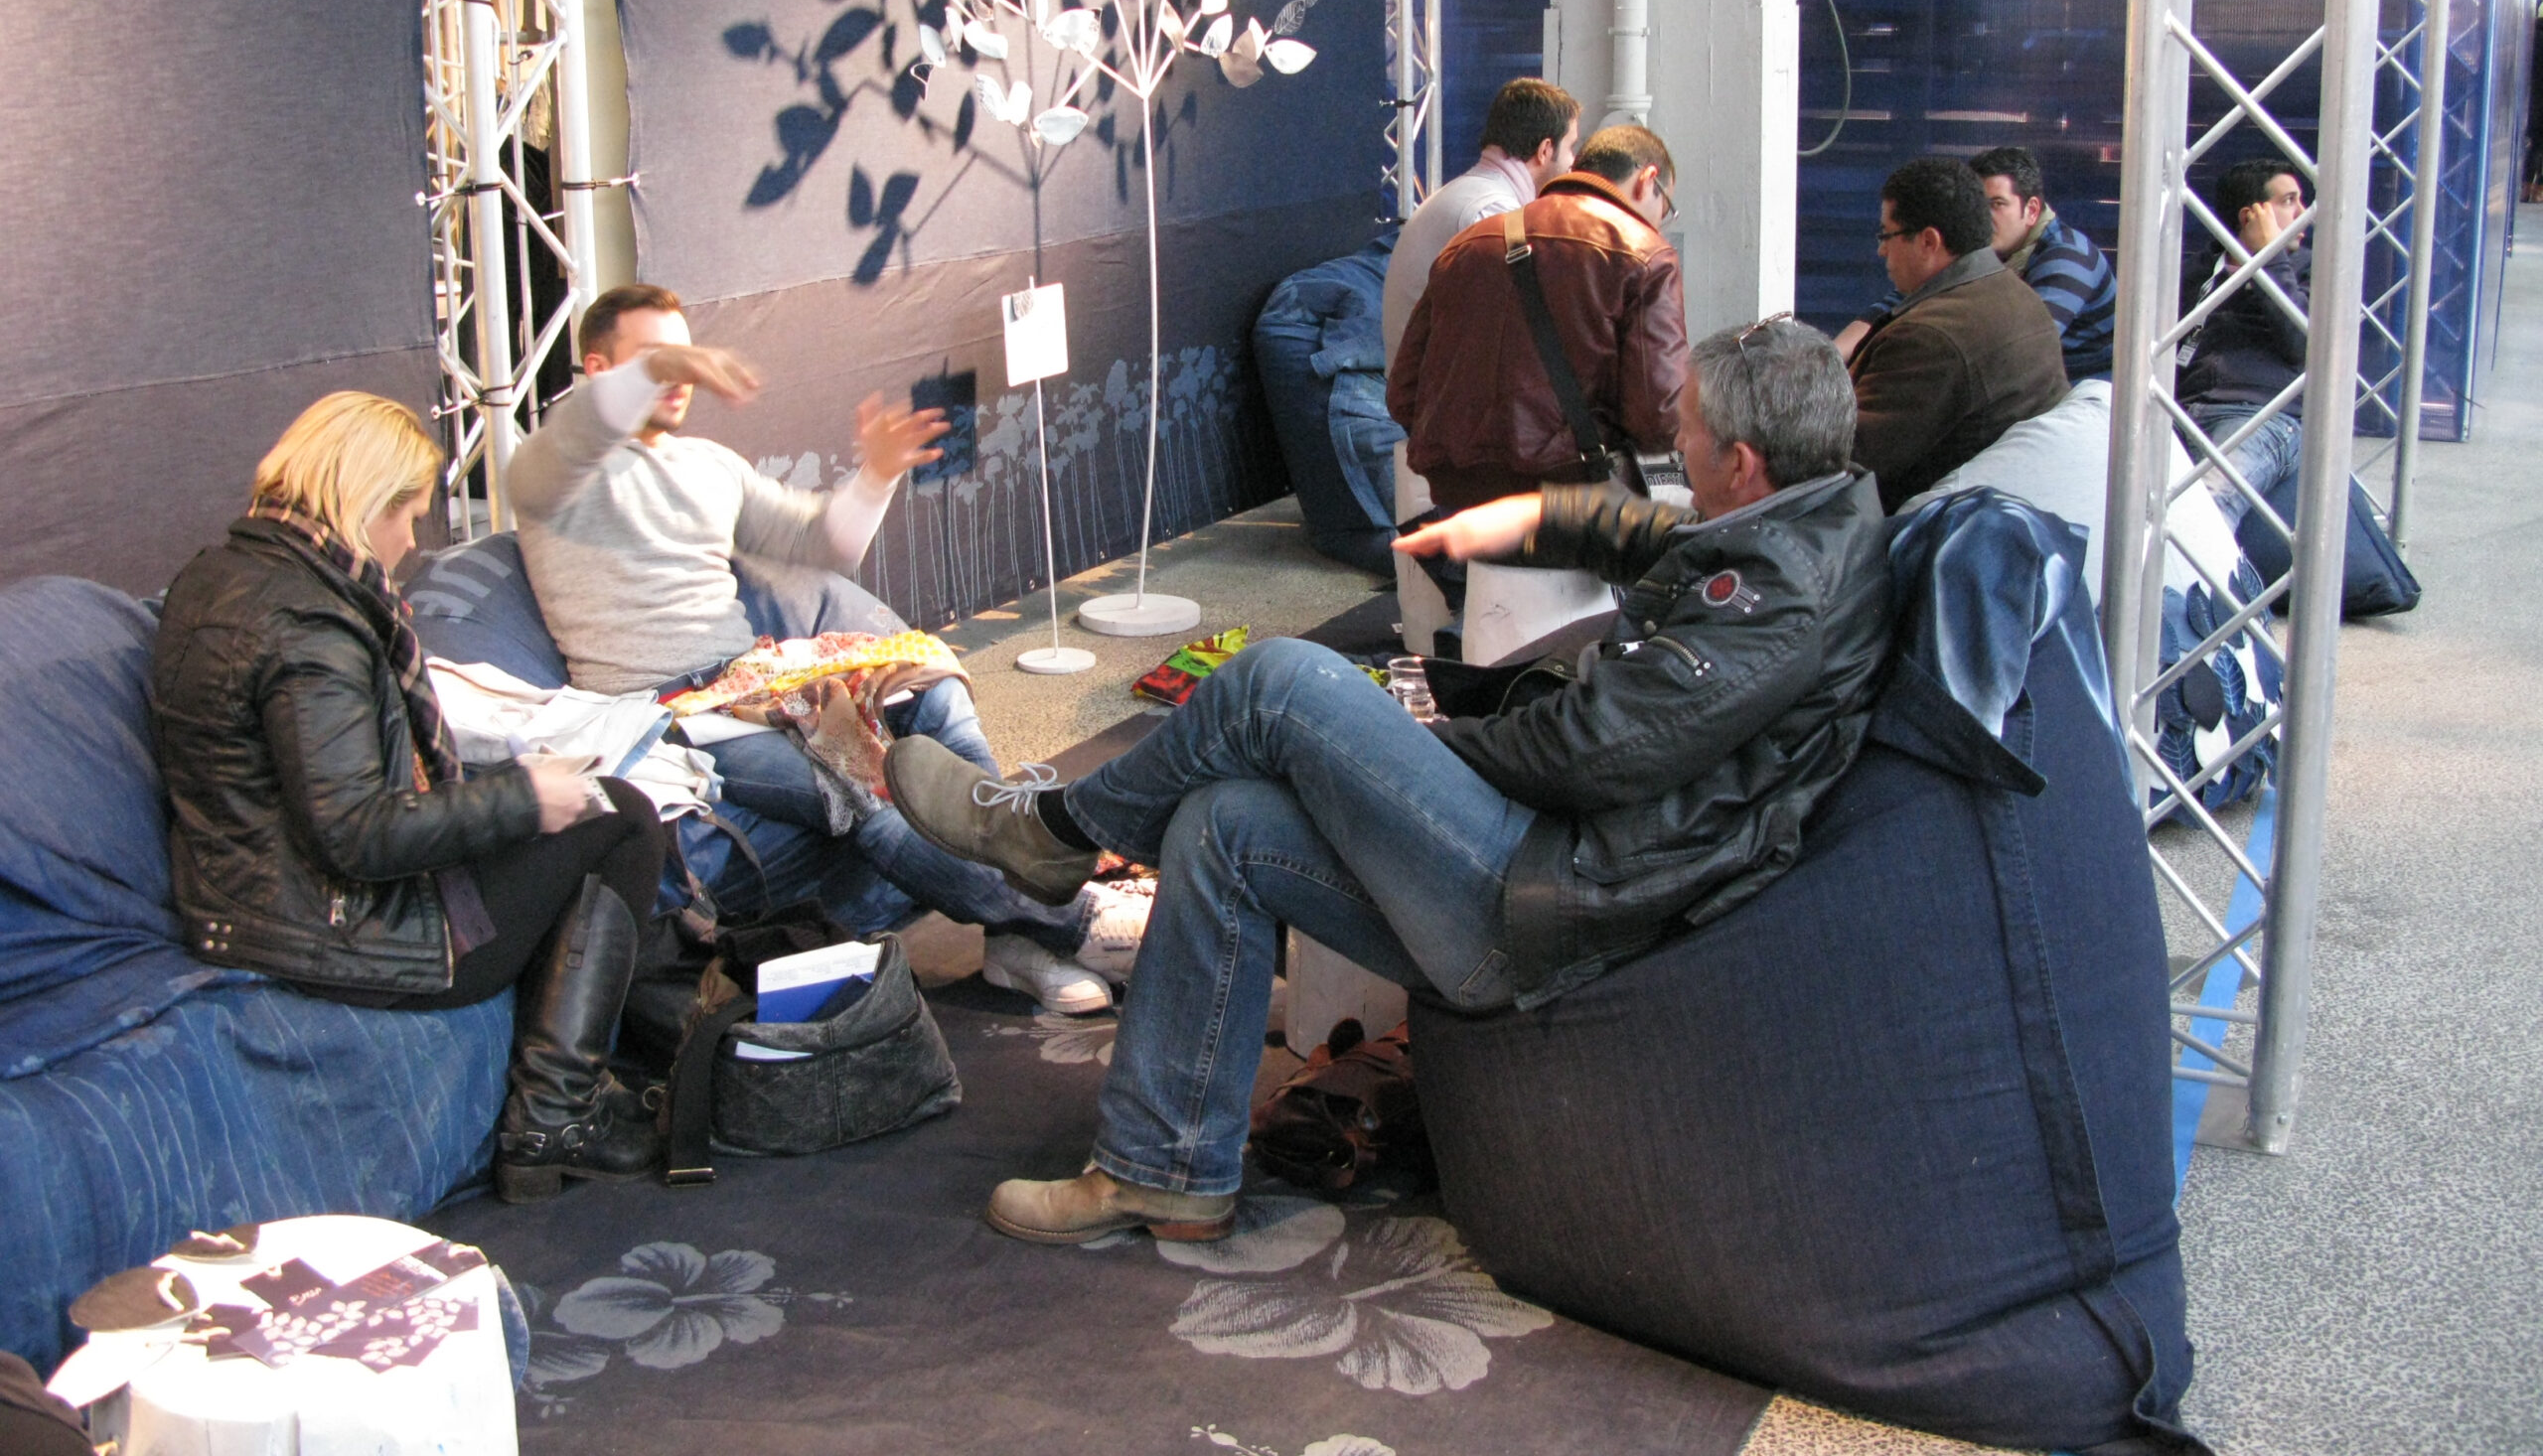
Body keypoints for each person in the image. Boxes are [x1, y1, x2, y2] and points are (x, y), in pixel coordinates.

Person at [880, 319, 1891, 1244]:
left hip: (1554, 900)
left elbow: (1593, 751)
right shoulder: (1800, 525)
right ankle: (1163, 1172)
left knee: (1281, 682)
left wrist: (1421, 744)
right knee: (1223, 821)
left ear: (1743, 464)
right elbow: (1650, 533)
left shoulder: (1778, 598)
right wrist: (1525, 521)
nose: (1676, 444)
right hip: (1564, 864)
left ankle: (1052, 832)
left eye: (1690, 432)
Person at [509, 284, 1142, 1015]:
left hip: (758, 678)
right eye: (657, 359)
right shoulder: (552, 470)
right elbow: (578, 430)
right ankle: (1073, 921)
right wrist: (660, 368)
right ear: (598, 369)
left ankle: (1013, 935)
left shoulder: (708, 464)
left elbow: (821, 543)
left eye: (685, 354)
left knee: (933, 686)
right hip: (671, 714)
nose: (681, 375)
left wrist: (877, 473)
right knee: (858, 784)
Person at [149, 393, 667, 1202]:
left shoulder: (219, 576)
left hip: (248, 901)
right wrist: (523, 800)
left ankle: (567, 1099)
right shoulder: (311, 626)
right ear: (368, 501)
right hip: (327, 929)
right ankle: (554, 1116)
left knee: (584, 808)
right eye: (411, 516)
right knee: (621, 817)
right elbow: (357, 833)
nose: (412, 543)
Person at [1389, 123, 1688, 513]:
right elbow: (1661, 419)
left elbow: (1403, 395)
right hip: (1570, 505)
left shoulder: (1467, 244)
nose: (1659, 222)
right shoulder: (1646, 254)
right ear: (1648, 179)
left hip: (1460, 501)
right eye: (1665, 207)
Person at [1848, 155, 2068, 510]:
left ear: (1929, 241)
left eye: (1887, 235)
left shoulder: (1927, 338)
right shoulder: (2018, 295)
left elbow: (1847, 460)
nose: (1881, 249)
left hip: (1920, 523)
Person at [1835, 146, 2117, 382]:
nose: (1985, 216)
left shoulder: (2069, 258)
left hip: (2085, 398)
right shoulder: (1986, 248)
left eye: (1997, 204)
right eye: (1980, 205)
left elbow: (2022, 346)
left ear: (2031, 210)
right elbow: (1902, 303)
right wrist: (1833, 358)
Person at [1381, 77, 1582, 367]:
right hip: (1439, 389)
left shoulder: (1474, 196)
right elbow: (1528, 327)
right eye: (1571, 147)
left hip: (1430, 383)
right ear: (1545, 150)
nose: (1573, 162)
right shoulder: (1492, 214)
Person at [2178, 157, 2310, 528]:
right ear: (2250, 215)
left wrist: (2270, 260)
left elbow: (2301, 342)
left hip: (2258, 415)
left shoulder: (2308, 269)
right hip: (2182, 410)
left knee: (2210, 505)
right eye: (2289, 201)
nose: (2304, 214)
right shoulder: (2199, 271)